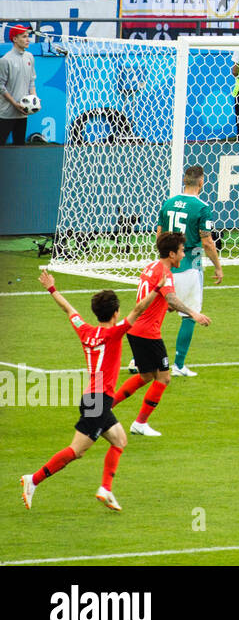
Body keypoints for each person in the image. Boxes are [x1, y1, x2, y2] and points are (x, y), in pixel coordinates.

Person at [21, 271, 144, 512]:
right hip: (99, 401)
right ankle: (33, 480)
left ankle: (106, 489)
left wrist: (52, 289)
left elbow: (69, 310)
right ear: (116, 313)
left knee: (119, 440)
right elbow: (138, 310)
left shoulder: (85, 330)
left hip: (93, 399)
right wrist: (159, 287)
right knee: (76, 451)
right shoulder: (114, 333)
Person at [113, 233, 212, 438]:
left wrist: (164, 307)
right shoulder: (165, 272)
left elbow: (156, 297)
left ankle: (105, 408)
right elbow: (171, 297)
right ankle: (140, 423)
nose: (183, 255)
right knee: (164, 377)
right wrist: (193, 313)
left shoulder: (151, 266)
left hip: (135, 329)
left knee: (147, 375)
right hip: (148, 333)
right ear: (171, 253)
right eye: (182, 251)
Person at [156, 164, 223, 378]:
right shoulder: (202, 207)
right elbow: (207, 242)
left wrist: (164, 262)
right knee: (188, 315)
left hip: (166, 266)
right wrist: (218, 266)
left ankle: (139, 358)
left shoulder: (168, 203)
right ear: (202, 182)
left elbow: (159, 235)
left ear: (184, 180)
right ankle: (178, 364)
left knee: (157, 312)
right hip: (189, 268)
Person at [0, 23, 36, 145]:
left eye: (27, 36)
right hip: (6, 113)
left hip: (23, 113)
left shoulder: (30, 57)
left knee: (19, 147)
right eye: (24, 36)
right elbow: (1, 86)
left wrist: (34, 99)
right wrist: (15, 104)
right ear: (15, 39)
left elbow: (32, 81)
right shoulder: (5, 60)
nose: (27, 39)